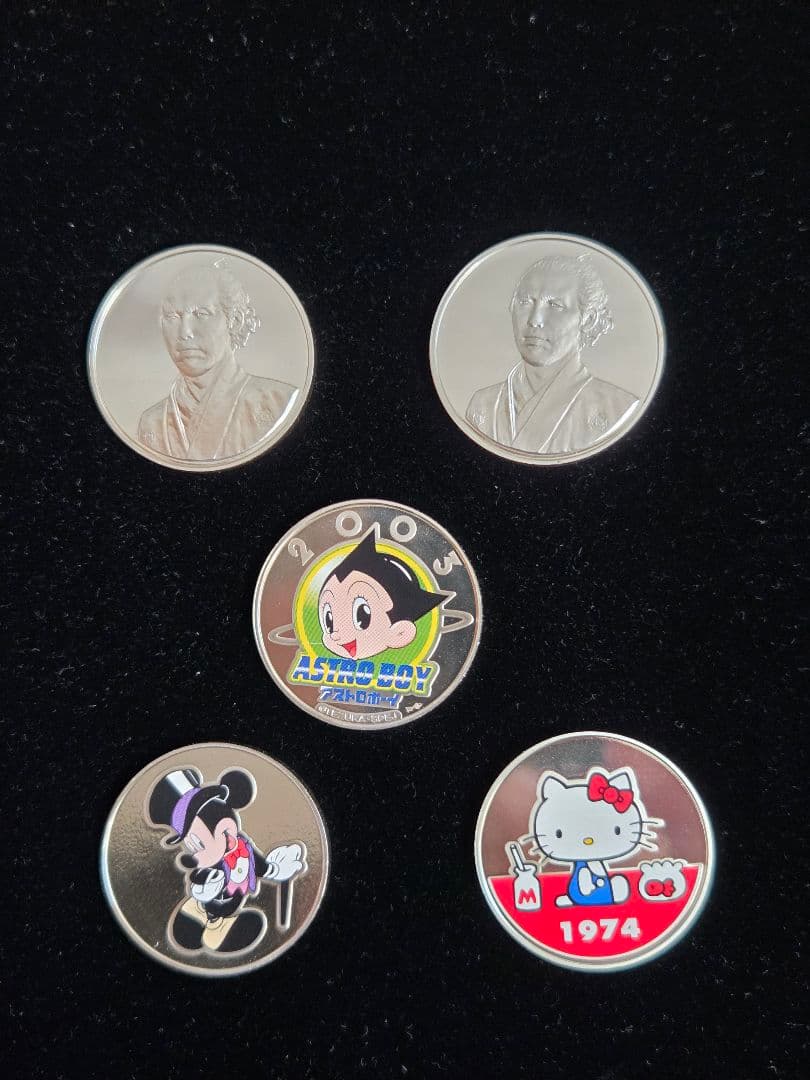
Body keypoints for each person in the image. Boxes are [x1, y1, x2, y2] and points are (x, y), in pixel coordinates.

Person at [465, 254, 638, 455]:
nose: (534, 320)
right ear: (511, 307)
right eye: (525, 302)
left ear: (588, 319)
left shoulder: (619, 409)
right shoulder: (483, 405)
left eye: (555, 305)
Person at [138, 265, 297, 461]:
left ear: (235, 321)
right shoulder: (152, 422)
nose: (185, 332)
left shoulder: (280, 402)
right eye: (172, 316)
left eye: (201, 314)